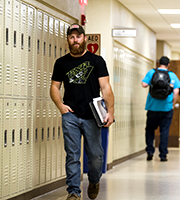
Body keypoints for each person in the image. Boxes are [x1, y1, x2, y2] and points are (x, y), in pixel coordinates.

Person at [50, 23, 114, 200]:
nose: (75, 40)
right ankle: (73, 192)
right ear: (68, 40)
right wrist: (61, 106)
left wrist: (111, 111)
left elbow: (106, 87)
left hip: (92, 115)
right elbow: (54, 87)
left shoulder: (96, 61)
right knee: (72, 155)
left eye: (78, 36)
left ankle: (94, 180)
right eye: (72, 37)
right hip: (70, 115)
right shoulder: (61, 63)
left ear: (84, 38)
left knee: (95, 156)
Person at [141, 56, 180, 161]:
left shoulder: (152, 72)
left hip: (152, 107)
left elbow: (144, 84)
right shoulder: (171, 75)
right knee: (164, 131)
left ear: (158, 63)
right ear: (168, 64)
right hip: (166, 108)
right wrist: (172, 103)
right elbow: (176, 91)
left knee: (150, 129)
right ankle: (163, 155)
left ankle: (150, 151)